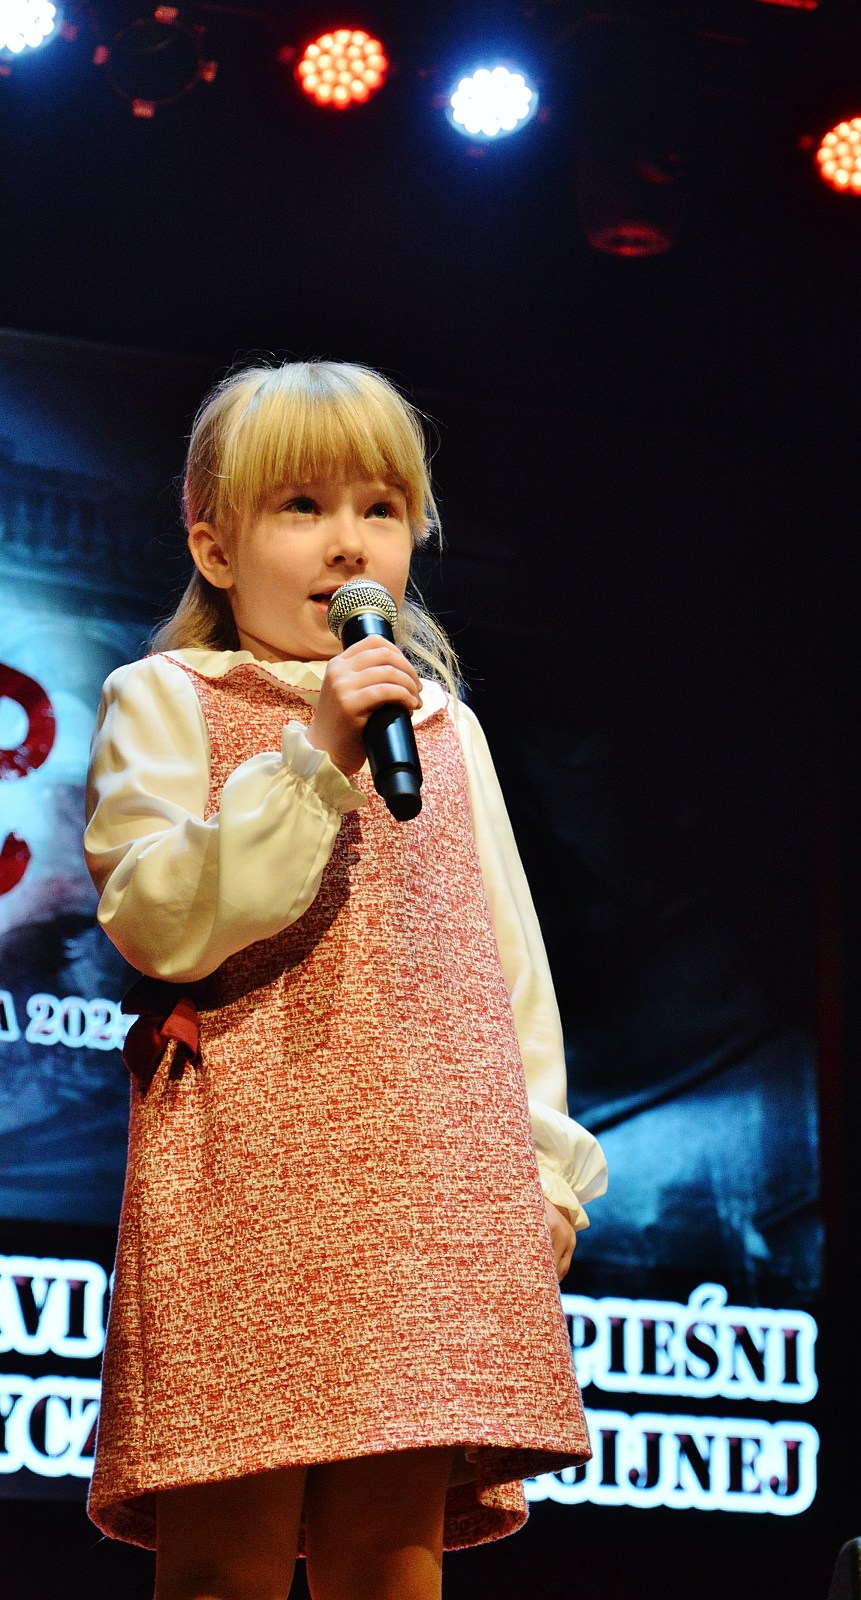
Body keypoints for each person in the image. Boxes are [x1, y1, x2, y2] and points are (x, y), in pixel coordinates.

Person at [83, 359, 608, 1600]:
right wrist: (312, 756)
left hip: (427, 1188)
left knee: (391, 1554)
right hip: (246, 1178)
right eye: (301, 507)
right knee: (228, 1557)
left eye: (380, 508)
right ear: (214, 546)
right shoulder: (166, 699)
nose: (347, 543)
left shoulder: (445, 730)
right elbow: (160, 918)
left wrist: (546, 1177)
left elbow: (505, 970)